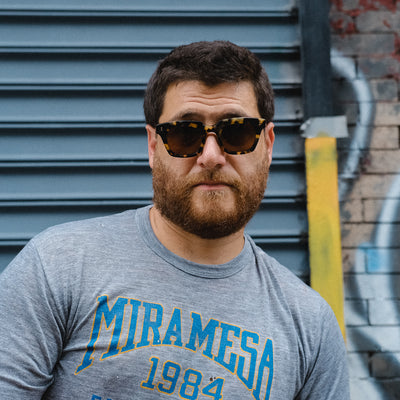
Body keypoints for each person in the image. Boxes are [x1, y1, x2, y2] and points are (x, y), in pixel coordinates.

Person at [0, 41, 349, 399]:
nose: (211, 156)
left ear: (269, 143)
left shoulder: (310, 325)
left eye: (237, 132)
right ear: (153, 147)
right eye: (185, 134)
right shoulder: (58, 266)